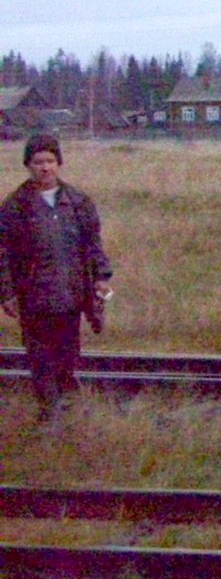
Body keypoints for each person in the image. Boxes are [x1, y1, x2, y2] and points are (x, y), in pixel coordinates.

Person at [0, 133, 113, 423]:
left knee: (68, 352)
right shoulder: (15, 207)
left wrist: (101, 276)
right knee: (40, 356)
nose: (45, 167)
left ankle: (64, 402)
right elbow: (3, 255)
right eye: (38, 162)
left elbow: (92, 243)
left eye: (50, 161)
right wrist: (7, 293)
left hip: (72, 295)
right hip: (34, 297)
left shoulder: (77, 201)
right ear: (28, 165)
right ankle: (49, 410)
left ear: (59, 163)